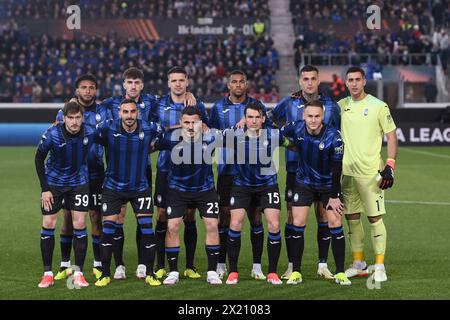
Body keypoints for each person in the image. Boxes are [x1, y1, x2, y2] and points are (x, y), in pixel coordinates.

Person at [100, 67, 196, 280]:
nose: (133, 86)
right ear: (123, 84)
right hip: (116, 169)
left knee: (143, 217)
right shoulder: (109, 104)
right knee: (118, 218)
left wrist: (188, 95)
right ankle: (119, 265)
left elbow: (173, 100)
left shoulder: (153, 101)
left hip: (142, 168)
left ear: (142, 85)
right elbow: (88, 115)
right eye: (129, 82)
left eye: (137, 83)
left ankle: (144, 265)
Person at [270, 65, 340, 280]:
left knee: (323, 217)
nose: (309, 82)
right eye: (305, 79)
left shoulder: (331, 105)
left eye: (313, 79)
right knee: (293, 217)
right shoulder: (289, 102)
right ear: (300, 81)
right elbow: (269, 119)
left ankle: (323, 264)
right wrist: (288, 143)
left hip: (325, 173)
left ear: (319, 81)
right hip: (296, 171)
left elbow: (337, 135)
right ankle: (292, 266)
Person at [208, 70, 271, 280]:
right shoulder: (218, 108)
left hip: (252, 171)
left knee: (255, 217)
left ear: (246, 84)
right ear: (228, 85)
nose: (237, 85)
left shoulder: (256, 107)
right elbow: (212, 135)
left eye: (241, 82)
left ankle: (256, 266)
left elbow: (268, 131)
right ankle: (221, 264)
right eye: (234, 82)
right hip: (226, 170)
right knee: (224, 217)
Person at [94, 99, 163, 287]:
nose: (129, 115)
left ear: (137, 113)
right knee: (107, 231)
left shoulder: (148, 128)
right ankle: (105, 274)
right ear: (119, 113)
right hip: (113, 188)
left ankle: (150, 273)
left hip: (140, 188)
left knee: (147, 231)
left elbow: (166, 132)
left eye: (133, 112)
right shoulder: (108, 128)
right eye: (125, 112)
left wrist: (154, 145)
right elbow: (87, 132)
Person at [281, 100, 350, 285]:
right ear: (304, 116)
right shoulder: (296, 128)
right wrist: (289, 144)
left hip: (328, 186)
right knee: (297, 222)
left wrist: (335, 196)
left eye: (317, 116)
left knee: (335, 222)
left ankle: (340, 272)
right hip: (304, 183)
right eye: (310, 116)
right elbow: (276, 134)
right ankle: (296, 271)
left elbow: (337, 170)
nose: (313, 120)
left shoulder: (334, 137)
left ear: (323, 116)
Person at [339, 66, 398, 282]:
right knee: (352, 218)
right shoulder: (341, 106)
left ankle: (380, 265)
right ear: (345, 83)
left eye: (357, 79)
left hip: (371, 173)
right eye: (350, 80)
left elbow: (392, 137)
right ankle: (359, 263)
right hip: (346, 174)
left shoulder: (378, 106)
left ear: (364, 81)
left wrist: (390, 166)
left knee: (374, 218)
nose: (353, 83)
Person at [150, 66, 209, 280]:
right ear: (168, 83)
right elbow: (154, 132)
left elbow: (206, 129)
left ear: (187, 82)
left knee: (189, 216)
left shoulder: (197, 104)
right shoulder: (158, 105)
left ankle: (190, 265)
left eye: (181, 80)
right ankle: (160, 264)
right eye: (173, 80)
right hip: (166, 168)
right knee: (163, 215)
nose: (177, 84)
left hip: (191, 168)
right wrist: (180, 128)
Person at [154, 106, 222, 285]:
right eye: (186, 122)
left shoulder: (212, 136)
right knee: (173, 226)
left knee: (212, 225)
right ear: (180, 123)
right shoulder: (170, 138)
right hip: (177, 189)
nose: (191, 126)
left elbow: (238, 137)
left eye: (194, 122)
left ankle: (212, 272)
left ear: (201, 123)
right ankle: (173, 272)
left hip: (205, 190)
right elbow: (148, 147)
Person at [53, 74, 109, 282]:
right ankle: (65, 264)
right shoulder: (65, 111)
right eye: (83, 87)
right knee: (67, 218)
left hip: (95, 173)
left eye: (91, 87)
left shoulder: (104, 111)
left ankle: (96, 264)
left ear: (96, 90)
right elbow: (56, 137)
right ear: (77, 90)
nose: (87, 91)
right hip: (71, 174)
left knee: (95, 217)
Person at [35, 102, 96, 288]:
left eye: (78, 118)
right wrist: (45, 189)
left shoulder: (90, 132)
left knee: (79, 224)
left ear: (82, 118)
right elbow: (39, 158)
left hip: (79, 183)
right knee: (49, 223)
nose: (75, 122)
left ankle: (78, 274)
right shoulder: (52, 134)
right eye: (71, 118)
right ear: (64, 118)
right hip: (54, 185)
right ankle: (47, 274)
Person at [225, 103, 283, 285]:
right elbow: (212, 136)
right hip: (242, 185)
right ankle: (233, 272)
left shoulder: (273, 135)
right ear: (244, 119)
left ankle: (272, 272)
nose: (254, 121)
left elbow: (294, 141)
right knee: (235, 223)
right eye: (250, 117)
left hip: (268, 185)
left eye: (257, 117)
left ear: (263, 119)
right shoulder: (235, 136)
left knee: (274, 224)